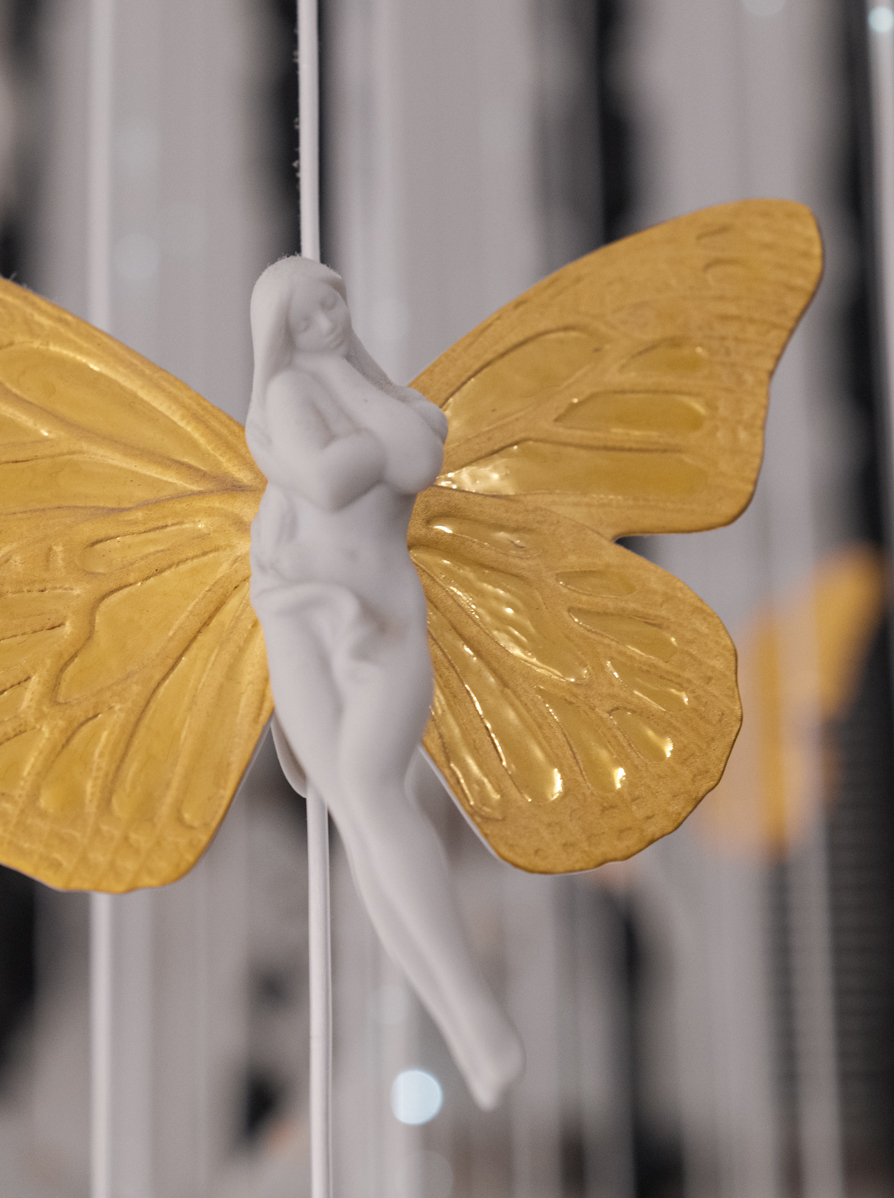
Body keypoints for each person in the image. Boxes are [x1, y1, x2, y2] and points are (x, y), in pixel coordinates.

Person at [245, 256, 524, 1110]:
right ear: (276, 333)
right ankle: (459, 1018)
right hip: (299, 615)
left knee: (372, 790)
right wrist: (362, 427)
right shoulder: (286, 400)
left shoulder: (354, 390)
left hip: (380, 617)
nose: (327, 317)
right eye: (306, 312)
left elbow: (410, 459)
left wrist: (351, 388)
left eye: (331, 300)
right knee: (355, 813)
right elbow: (333, 476)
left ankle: (472, 1015)